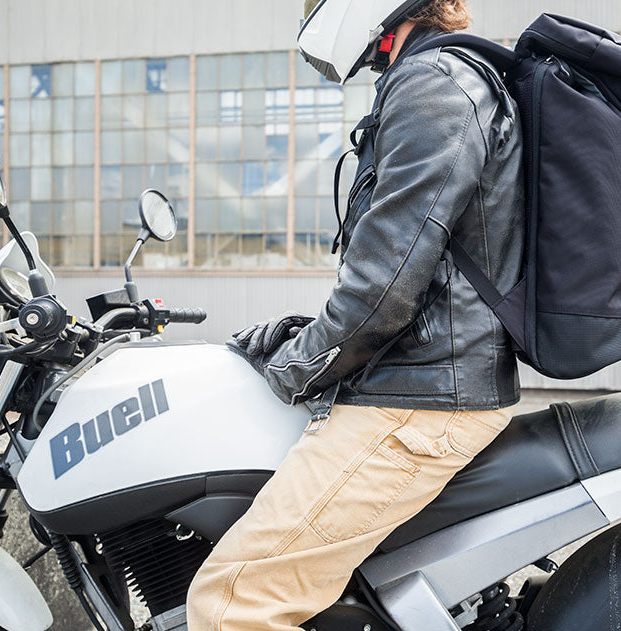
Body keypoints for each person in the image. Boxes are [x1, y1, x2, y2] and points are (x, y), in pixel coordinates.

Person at [186, 0, 524, 628]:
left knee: (231, 604)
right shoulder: (442, 76)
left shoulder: (433, 83)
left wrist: (295, 365)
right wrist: (305, 338)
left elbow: (386, 283)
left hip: (418, 402)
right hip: (425, 384)